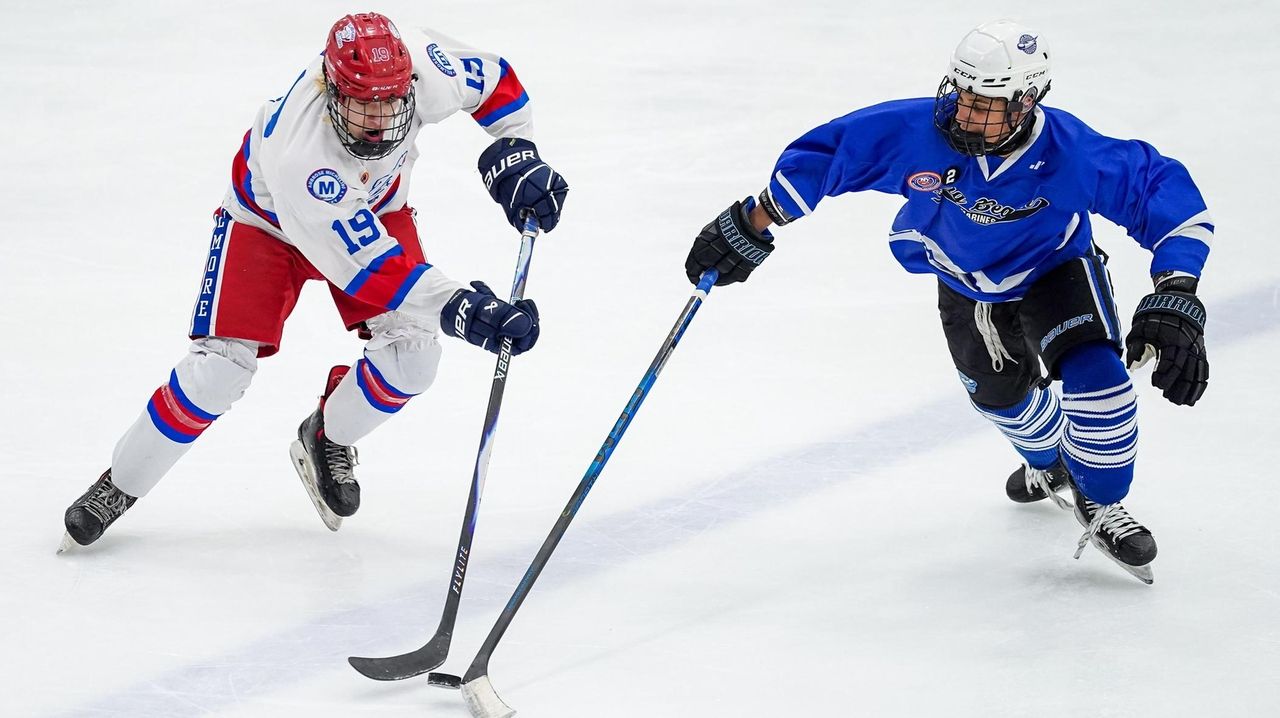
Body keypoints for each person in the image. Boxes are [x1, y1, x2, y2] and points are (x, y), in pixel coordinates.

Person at [684, 19, 1211, 583]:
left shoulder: (1069, 153)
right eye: (960, 93)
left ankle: (1101, 497)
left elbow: (1161, 192)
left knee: (1100, 384)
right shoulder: (920, 130)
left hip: (1055, 272)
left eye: (983, 102)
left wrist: (1176, 289)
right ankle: (1047, 461)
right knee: (1001, 403)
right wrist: (753, 221)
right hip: (962, 283)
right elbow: (836, 152)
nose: (963, 112)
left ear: (1027, 100)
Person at [62, 12, 569, 548]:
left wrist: (518, 153)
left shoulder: (417, 69)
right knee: (218, 372)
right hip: (267, 226)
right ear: (330, 91)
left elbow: (494, 83)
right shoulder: (303, 162)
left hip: (374, 208)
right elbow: (376, 271)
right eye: (360, 106)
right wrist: (465, 308)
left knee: (414, 359)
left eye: (389, 104)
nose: (377, 121)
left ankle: (326, 433)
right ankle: (119, 484)